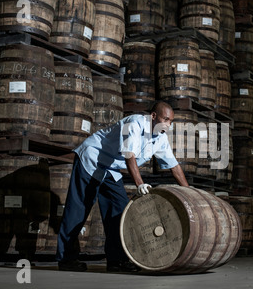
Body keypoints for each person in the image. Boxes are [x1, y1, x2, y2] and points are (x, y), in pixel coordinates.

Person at [56, 101, 190, 272]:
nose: (168, 125)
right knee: (78, 209)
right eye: (166, 120)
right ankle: (66, 259)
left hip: (111, 169)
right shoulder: (133, 124)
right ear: (153, 116)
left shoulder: (160, 137)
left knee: (119, 212)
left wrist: (188, 191)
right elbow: (129, 155)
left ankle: (116, 260)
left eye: (171, 121)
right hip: (92, 160)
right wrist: (139, 184)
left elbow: (174, 167)